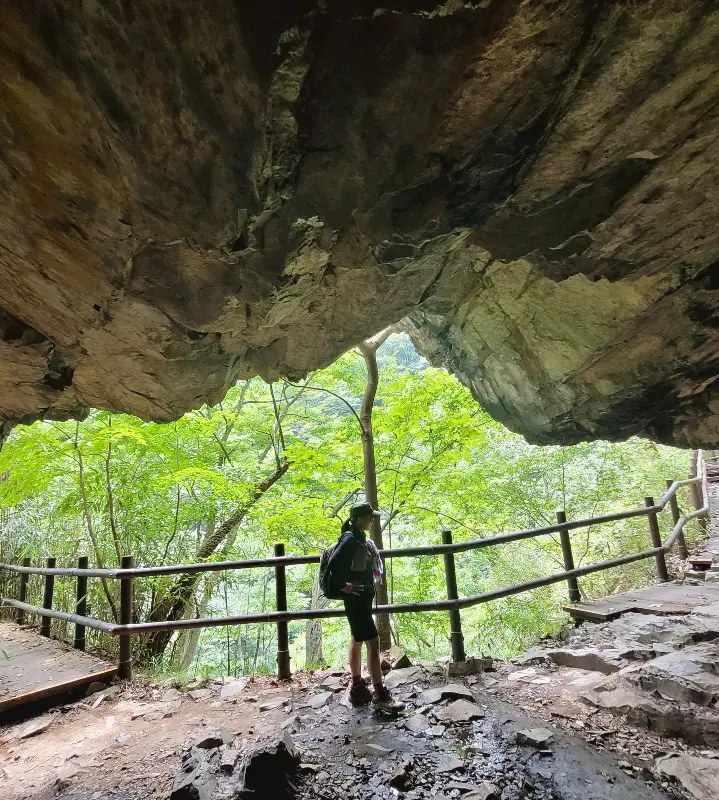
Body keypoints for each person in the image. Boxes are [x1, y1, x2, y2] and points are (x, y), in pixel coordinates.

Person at [329, 501, 405, 711]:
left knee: (357, 638)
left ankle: (357, 687)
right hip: (356, 600)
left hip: (360, 599)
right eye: (369, 517)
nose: (372, 520)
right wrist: (344, 586)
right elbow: (334, 563)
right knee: (373, 641)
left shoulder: (356, 536)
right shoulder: (350, 539)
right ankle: (380, 694)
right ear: (359, 519)